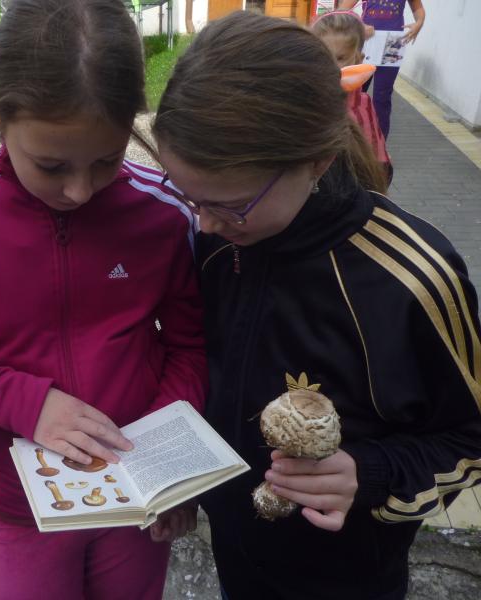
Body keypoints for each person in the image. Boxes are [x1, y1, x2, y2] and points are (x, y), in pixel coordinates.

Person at [0, 0, 207, 597]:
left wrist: (170, 466)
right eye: (51, 165)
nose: (80, 190)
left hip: (137, 498)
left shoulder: (163, 210)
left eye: (107, 161)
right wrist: (18, 401)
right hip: (18, 509)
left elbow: (193, 345)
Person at [153, 11, 481, 600]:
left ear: (317, 161)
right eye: (188, 196)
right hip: (235, 551)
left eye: (228, 205)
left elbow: (470, 439)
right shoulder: (218, 237)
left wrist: (371, 475)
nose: (203, 223)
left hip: (347, 576)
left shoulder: (411, 278)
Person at [312, 10, 392, 180]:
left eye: (341, 58)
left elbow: (376, 152)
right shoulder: (307, 100)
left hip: (357, 182)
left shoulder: (363, 104)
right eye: (323, 55)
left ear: (358, 59)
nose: (332, 65)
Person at [337, 0, 426, 139]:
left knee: (383, 97)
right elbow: (342, 10)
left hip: (393, 43)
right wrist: (359, 26)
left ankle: (380, 142)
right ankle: (349, 138)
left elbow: (418, 9)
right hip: (367, 42)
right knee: (355, 92)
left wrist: (419, 23)